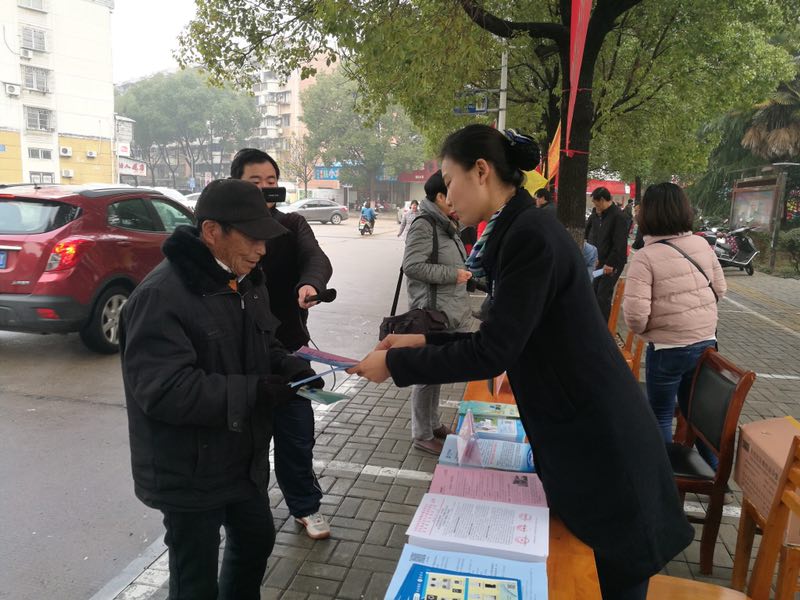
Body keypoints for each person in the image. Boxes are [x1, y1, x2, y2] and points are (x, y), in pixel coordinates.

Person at [349, 124, 692, 600]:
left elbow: (493, 352)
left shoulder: (528, 236)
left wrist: (397, 367)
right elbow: (504, 336)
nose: (447, 194)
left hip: (602, 445)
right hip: (583, 433)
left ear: (481, 171)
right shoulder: (519, 229)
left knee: (606, 579)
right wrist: (418, 339)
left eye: (450, 179)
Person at [120, 179, 322, 599]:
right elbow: (165, 390)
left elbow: (262, 341)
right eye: (252, 238)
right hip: (188, 467)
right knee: (195, 579)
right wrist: (256, 393)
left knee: (255, 540)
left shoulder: (247, 281)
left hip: (240, 457)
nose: (262, 249)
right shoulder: (160, 296)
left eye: (265, 238)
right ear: (212, 231)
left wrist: (286, 364)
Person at [231, 148, 334, 539]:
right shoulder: (225, 233)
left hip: (289, 350)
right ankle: (248, 512)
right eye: (254, 182)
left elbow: (315, 258)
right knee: (244, 443)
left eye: (271, 182)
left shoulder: (292, 224)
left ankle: (305, 505)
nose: (265, 189)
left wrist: (310, 284)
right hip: (240, 356)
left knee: (297, 434)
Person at [622, 183, 727, 471]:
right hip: (706, 344)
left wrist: (652, 329)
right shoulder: (702, 245)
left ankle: (663, 479)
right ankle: (716, 472)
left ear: (647, 214)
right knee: (697, 415)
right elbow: (720, 289)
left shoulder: (645, 257)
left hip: (668, 349)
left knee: (659, 414)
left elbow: (635, 317)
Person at [403, 170, 475, 454]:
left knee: (436, 372)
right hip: (431, 314)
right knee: (425, 374)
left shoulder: (446, 224)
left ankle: (432, 424)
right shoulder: (424, 224)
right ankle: (421, 434)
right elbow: (412, 266)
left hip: (447, 312)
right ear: (441, 196)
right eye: (453, 192)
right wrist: (452, 274)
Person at [585, 186, 629, 321]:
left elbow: (619, 243)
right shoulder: (602, 215)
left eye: (596, 203)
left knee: (603, 295)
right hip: (601, 261)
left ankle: (602, 325)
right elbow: (600, 239)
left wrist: (610, 263)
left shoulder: (619, 216)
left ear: (603, 200)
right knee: (594, 290)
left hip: (612, 263)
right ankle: (594, 321)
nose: (595, 206)